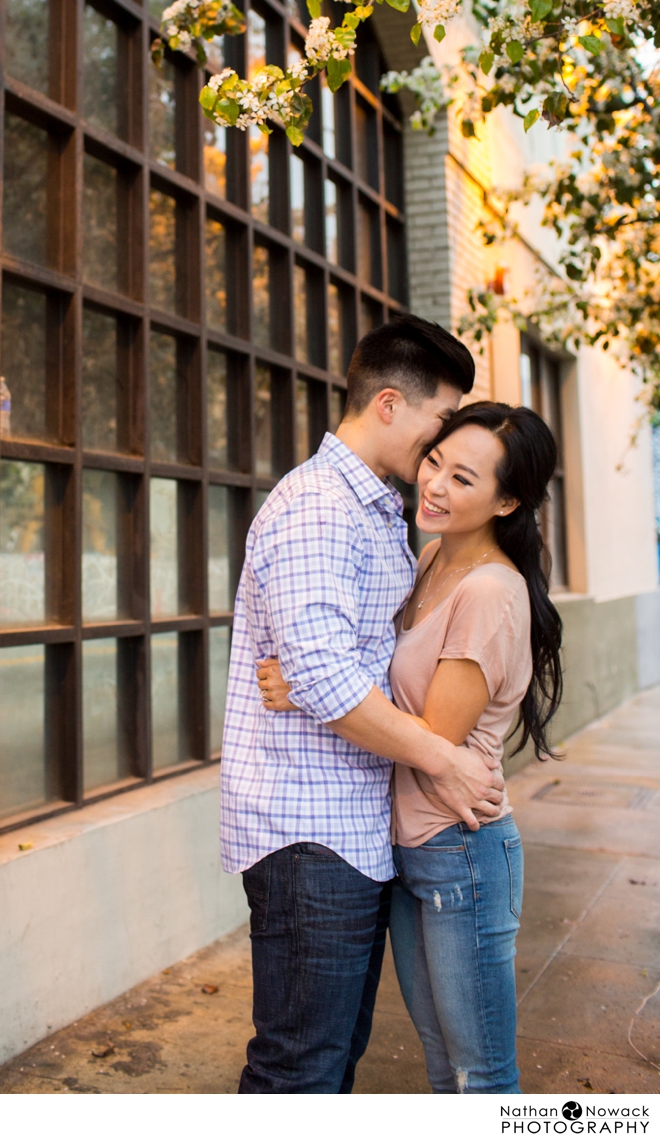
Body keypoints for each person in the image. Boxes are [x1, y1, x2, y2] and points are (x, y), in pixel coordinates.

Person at [220, 313, 504, 1095]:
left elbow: (342, 664)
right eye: (439, 423)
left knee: (333, 1056)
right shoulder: (319, 508)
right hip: (310, 838)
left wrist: (309, 681)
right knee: (298, 1069)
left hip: (349, 829)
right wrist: (443, 758)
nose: (442, 452)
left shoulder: (379, 511)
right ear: (388, 404)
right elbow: (324, 677)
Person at [259, 400, 564, 1094]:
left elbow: (434, 738)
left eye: (464, 479)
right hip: (409, 850)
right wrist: (318, 673)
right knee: (439, 1063)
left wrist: (311, 687)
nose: (434, 485)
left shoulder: (489, 591)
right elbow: (377, 674)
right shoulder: (428, 561)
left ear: (506, 500)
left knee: (479, 1074)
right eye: (435, 462)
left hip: (463, 849)